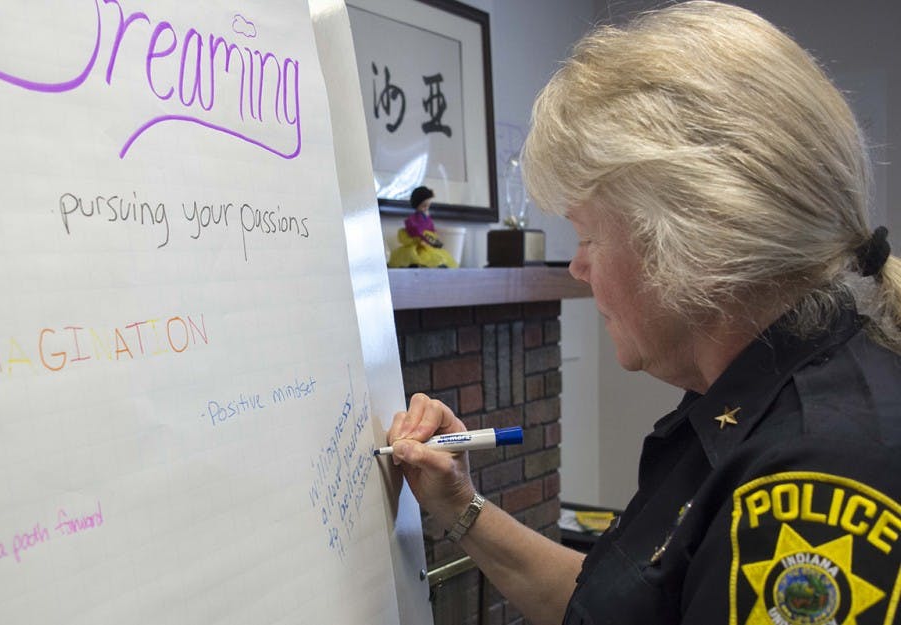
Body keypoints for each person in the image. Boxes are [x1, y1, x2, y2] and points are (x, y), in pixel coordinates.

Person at [385, 2, 901, 624]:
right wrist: (459, 504)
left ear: (695, 240)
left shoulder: (811, 483)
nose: (577, 268)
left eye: (588, 236)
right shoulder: (751, 396)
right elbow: (624, 606)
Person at [387, 186, 459, 268]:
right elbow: (413, 230)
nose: (426, 208)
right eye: (424, 206)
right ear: (417, 204)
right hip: (417, 245)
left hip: (427, 245)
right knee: (414, 256)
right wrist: (421, 237)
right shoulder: (412, 219)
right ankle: (415, 264)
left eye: (428, 206)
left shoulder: (427, 218)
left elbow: (431, 228)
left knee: (436, 257)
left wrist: (433, 237)